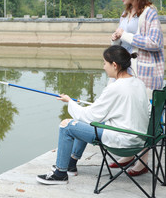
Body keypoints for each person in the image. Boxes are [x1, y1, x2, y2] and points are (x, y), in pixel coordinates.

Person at [36, 45, 150, 185]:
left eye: (104, 63)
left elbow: (89, 116)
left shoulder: (115, 88)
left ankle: (60, 173)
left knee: (67, 125)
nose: (103, 67)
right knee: (82, 123)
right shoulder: (139, 83)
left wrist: (70, 101)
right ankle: (71, 164)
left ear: (114, 65)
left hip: (123, 140)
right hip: (138, 139)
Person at [110, 0, 164, 176]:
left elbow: (154, 43)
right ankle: (129, 153)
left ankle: (143, 161)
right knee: (126, 114)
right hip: (127, 74)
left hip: (145, 75)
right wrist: (116, 38)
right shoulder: (125, 14)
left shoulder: (149, 12)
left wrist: (127, 35)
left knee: (143, 117)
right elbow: (123, 41)